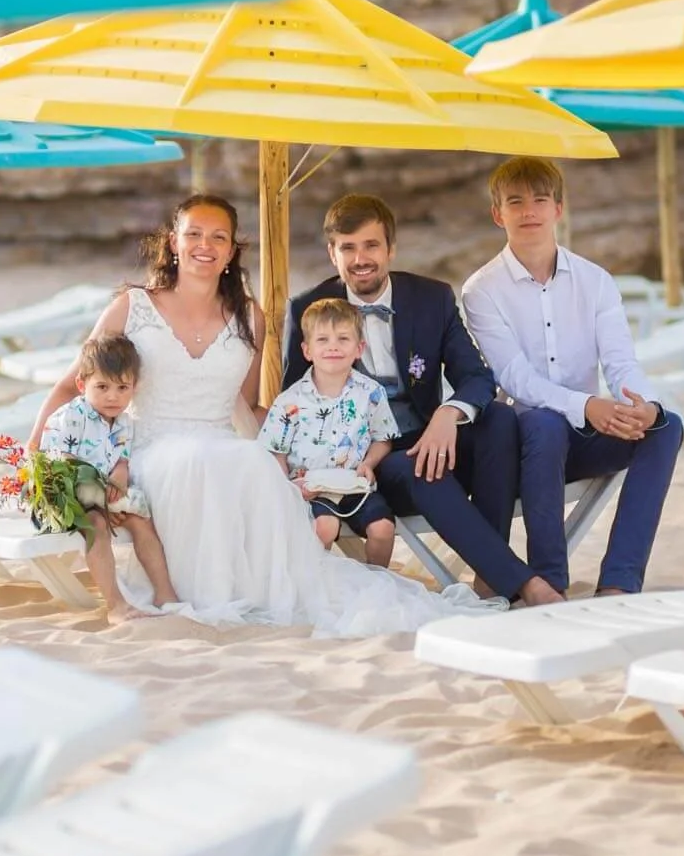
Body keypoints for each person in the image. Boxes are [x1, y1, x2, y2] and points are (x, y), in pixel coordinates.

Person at [29, 194, 489, 636]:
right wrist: (34, 453)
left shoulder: (250, 315)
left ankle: (261, 586)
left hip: (225, 444)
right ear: (174, 241)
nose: (204, 246)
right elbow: (76, 383)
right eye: (194, 234)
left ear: (232, 249)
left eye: (218, 237)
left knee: (253, 464)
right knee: (199, 461)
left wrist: (318, 443)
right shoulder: (132, 306)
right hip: (153, 449)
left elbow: (249, 407)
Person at [285, 194, 563, 607]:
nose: (361, 258)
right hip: (368, 462)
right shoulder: (308, 309)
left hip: (429, 434)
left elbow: (476, 377)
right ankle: (523, 583)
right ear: (332, 254)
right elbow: (293, 397)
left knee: (500, 421)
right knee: (420, 468)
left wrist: (448, 414)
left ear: (390, 249)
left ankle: (489, 576)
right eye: (348, 248)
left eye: (371, 245)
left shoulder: (432, 299)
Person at [461, 157, 683, 600]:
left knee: (667, 426)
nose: (529, 212)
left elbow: (620, 361)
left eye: (540, 200)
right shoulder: (481, 290)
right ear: (497, 213)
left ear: (558, 209)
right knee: (544, 421)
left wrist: (644, 406)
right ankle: (550, 583)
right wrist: (586, 405)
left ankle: (619, 583)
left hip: (589, 435)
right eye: (515, 202)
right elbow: (515, 378)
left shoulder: (595, 281)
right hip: (527, 444)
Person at [37, 333, 178, 625]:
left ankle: (165, 594)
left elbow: (121, 457)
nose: (113, 396)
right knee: (97, 525)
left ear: (134, 388)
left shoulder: (125, 422)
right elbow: (57, 463)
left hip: (107, 495)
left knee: (141, 521)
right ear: (82, 384)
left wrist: (121, 470)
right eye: (102, 387)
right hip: (69, 496)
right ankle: (116, 604)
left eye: (122, 387)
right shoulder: (69, 418)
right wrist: (98, 500)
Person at [260, 298, 400, 565]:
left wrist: (369, 464)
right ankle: (315, 585)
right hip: (310, 489)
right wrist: (289, 489)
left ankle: (377, 587)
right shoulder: (290, 401)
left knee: (383, 529)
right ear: (307, 350)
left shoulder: (371, 392)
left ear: (359, 348)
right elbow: (275, 450)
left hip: (353, 486)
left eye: (343, 339)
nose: (333, 346)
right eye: (322, 340)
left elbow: (383, 438)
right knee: (323, 527)